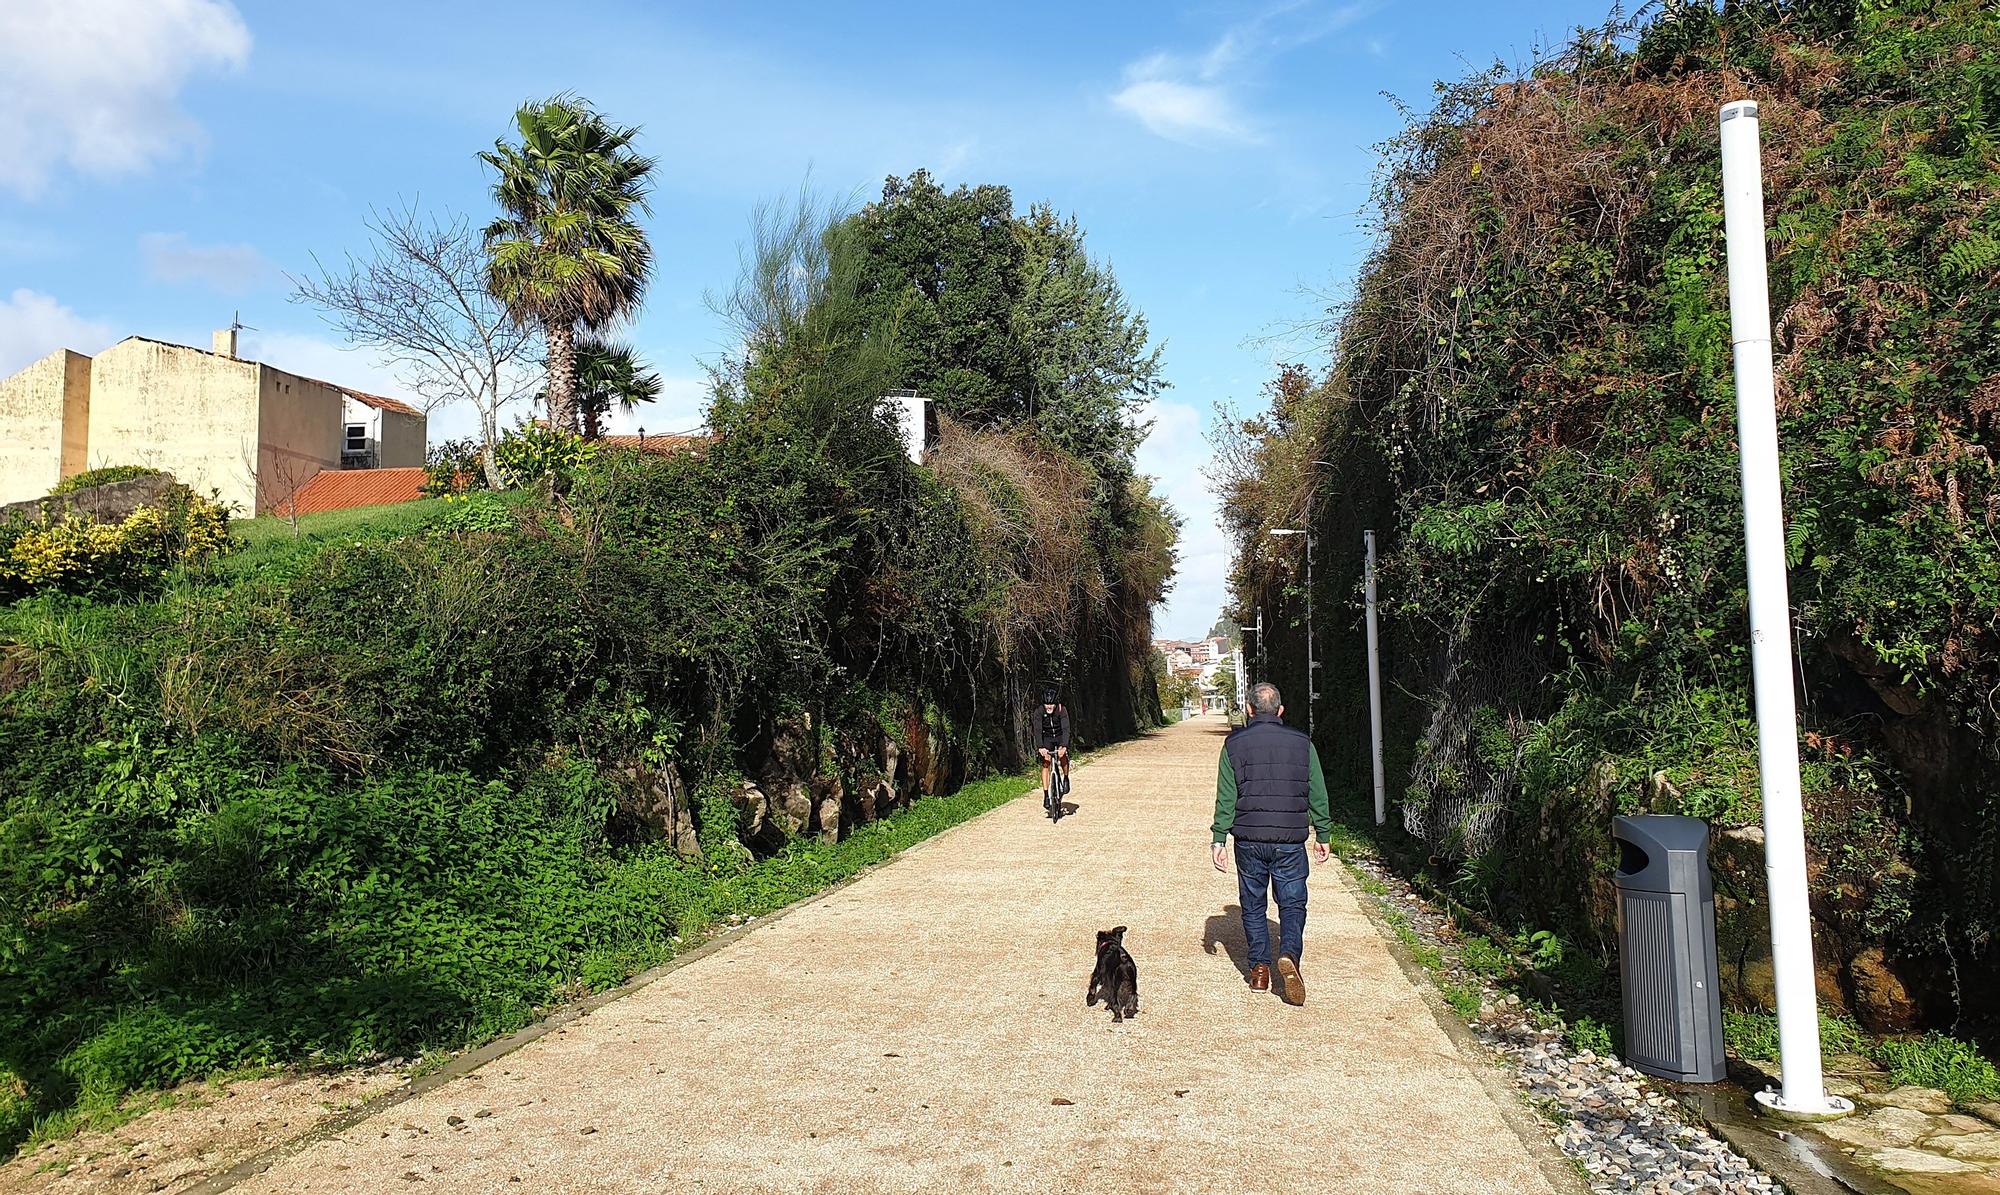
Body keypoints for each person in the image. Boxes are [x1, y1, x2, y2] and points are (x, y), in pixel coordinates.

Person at [1210, 681, 1331, 1005]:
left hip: (1248, 839)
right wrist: (1323, 833)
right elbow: (1317, 791)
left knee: (1253, 905)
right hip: (1290, 840)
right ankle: (1289, 954)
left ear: (1249, 710)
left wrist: (1218, 838)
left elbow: (1227, 796)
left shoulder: (1233, 745)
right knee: (1292, 904)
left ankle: (1260, 971)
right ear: (1280, 711)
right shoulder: (1302, 743)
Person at [1036, 686, 1071, 811]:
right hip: (1047, 737)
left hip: (1060, 735)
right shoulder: (1039, 712)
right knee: (1046, 763)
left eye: (1051, 704)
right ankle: (1046, 795)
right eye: (1047, 704)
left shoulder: (1062, 710)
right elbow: (1038, 730)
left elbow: (1066, 729)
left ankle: (1066, 778)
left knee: (1062, 757)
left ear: (1055, 704)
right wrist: (1041, 747)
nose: (1049, 706)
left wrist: (1064, 746)